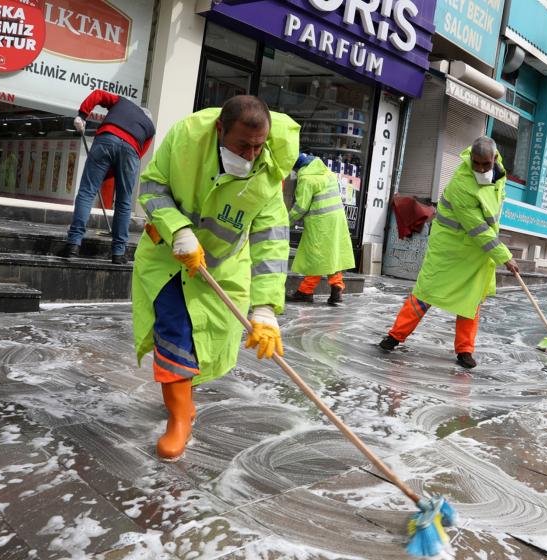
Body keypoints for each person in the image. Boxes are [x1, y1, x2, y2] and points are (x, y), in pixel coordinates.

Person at [132, 95, 299, 461]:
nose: (253, 154)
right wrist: (178, 230)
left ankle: (184, 401)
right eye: (243, 145)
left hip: (221, 268)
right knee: (173, 329)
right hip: (169, 256)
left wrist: (265, 307)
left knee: (205, 337)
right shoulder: (186, 139)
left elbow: (270, 240)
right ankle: (179, 418)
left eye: (260, 145)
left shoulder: (270, 170)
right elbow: (153, 187)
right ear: (220, 130)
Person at [378, 137, 519, 369]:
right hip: (449, 249)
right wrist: (504, 256)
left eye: (486, 164)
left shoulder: (499, 174)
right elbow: (478, 227)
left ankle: (465, 350)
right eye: (476, 163)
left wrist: (496, 252)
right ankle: (394, 337)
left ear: (494, 159)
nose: (481, 169)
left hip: (475, 253)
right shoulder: (461, 185)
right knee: (426, 292)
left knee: (471, 299)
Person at [59, 90, 156, 264]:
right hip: (131, 151)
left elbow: (98, 94)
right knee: (124, 202)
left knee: (87, 192)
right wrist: (110, 174)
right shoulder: (150, 128)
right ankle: (118, 253)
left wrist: (82, 115)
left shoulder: (123, 102)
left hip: (107, 139)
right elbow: (137, 155)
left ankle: (73, 245)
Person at [286, 153, 355, 305]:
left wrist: (285, 222)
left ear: (298, 168)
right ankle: (336, 287)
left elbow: (300, 207)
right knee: (331, 255)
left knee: (316, 256)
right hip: (336, 219)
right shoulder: (327, 172)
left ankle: (305, 291)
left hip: (320, 221)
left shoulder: (306, 178)